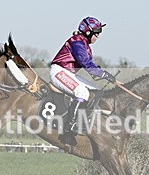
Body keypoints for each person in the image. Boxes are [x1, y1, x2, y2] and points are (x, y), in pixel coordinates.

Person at [50, 16, 117, 144]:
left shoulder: (86, 46)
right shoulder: (77, 42)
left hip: (68, 73)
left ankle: (87, 122)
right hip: (59, 71)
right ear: (88, 32)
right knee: (82, 93)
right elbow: (86, 63)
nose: (98, 36)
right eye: (97, 33)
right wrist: (103, 74)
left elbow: (91, 69)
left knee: (96, 91)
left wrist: (104, 75)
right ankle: (69, 126)